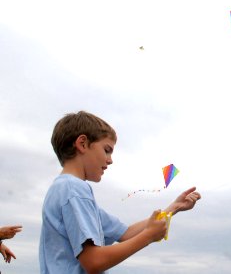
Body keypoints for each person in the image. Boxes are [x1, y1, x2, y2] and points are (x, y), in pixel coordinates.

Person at [39, 111, 202, 274]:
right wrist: (148, 237)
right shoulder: (74, 190)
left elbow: (126, 233)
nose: (110, 160)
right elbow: (93, 261)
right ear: (82, 144)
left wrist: (174, 207)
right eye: (107, 150)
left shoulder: (63, 190)